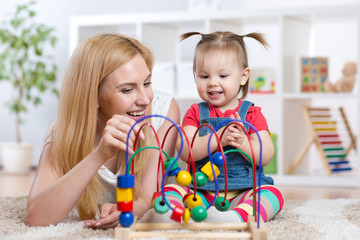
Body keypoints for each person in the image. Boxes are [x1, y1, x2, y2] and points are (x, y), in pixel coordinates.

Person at [24, 33, 180, 229]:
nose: (145, 100)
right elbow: (35, 218)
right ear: (93, 96)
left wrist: (130, 208)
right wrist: (98, 155)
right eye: (127, 90)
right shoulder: (65, 135)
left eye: (147, 83)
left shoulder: (162, 113)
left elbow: (148, 196)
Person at [164, 31, 284, 223]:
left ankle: (237, 216)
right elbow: (186, 152)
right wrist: (217, 138)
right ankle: (173, 214)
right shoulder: (195, 113)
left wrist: (244, 142)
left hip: (245, 190)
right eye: (204, 76)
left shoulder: (252, 114)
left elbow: (266, 155)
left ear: (243, 77)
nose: (212, 82)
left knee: (272, 194)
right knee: (173, 190)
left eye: (222, 75)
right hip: (201, 192)